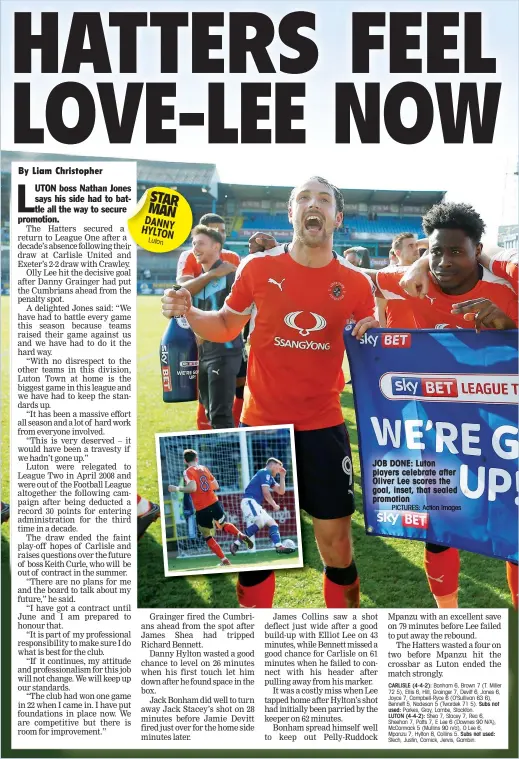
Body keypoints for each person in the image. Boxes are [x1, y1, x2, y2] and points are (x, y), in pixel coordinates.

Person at [162, 177, 379, 608]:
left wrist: (371, 332)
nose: (311, 205)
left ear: (337, 218)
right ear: (291, 214)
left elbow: (369, 341)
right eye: (303, 198)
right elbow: (226, 323)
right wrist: (189, 311)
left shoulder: (354, 283)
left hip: (323, 425)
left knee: (336, 547)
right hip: (263, 426)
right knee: (257, 553)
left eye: (322, 200)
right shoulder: (257, 267)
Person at [360, 202, 518, 609]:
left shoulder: (506, 293)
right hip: (439, 431)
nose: (444, 262)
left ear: (477, 250)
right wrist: (378, 320)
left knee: (511, 522)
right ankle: (447, 615)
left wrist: (510, 329)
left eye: (456, 252)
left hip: (499, 431)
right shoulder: (411, 278)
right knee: (437, 523)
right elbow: (375, 284)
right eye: (435, 251)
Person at [176, 213, 245, 429]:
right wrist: (214, 274)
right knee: (208, 404)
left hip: (227, 346)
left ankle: (234, 444)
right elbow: (182, 291)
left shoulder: (233, 259)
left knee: (234, 399)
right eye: (214, 230)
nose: (220, 234)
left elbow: (249, 302)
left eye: (222, 231)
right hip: (203, 346)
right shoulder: (189, 257)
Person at [168, 449, 252, 566]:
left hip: (202, 508)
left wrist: (177, 488)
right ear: (196, 459)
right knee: (222, 525)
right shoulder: (204, 468)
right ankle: (240, 534)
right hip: (214, 502)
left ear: (185, 461)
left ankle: (224, 560)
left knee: (207, 535)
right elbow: (216, 485)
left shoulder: (187, 471)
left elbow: (192, 488)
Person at [230, 458, 294, 555]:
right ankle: (237, 543)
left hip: (256, 504)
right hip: (249, 501)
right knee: (260, 522)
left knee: (273, 524)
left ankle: (278, 546)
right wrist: (274, 505)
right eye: (279, 467)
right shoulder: (264, 472)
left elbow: (281, 491)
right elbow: (266, 493)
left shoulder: (269, 477)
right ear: (272, 465)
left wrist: (282, 476)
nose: (279, 470)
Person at [376, 232, 420, 329]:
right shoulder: (386, 274)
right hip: (397, 336)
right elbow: (380, 310)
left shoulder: (425, 273)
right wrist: (383, 335)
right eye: (410, 246)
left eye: (416, 245)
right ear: (398, 253)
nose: (416, 249)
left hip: (424, 335)